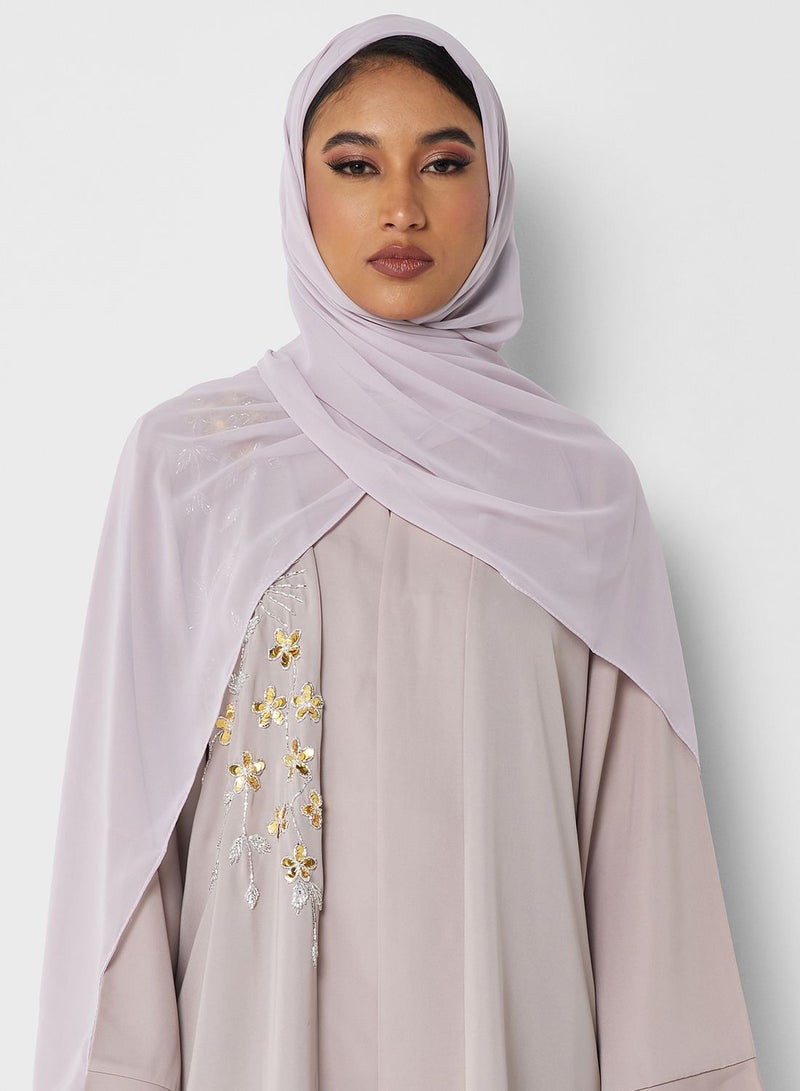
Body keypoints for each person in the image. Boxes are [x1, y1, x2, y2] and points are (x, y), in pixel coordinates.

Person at [34, 13, 764, 1091]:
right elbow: (126, 842)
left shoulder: (578, 493)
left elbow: (648, 878)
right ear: (300, 192)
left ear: (493, 189)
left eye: (443, 162)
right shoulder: (194, 467)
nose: (401, 206)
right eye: (354, 164)